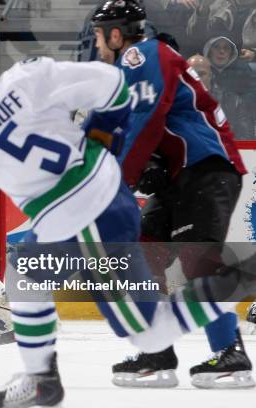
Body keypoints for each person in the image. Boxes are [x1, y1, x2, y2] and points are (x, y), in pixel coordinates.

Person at [0, 45, 246, 408]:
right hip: (100, 196)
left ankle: (243, 279)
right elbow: (114, 83)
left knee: (150, 333)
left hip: (82, 215)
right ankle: (40, 380)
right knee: (24, 276)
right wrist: (101, 132)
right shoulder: (28, 77)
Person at [91, 0, 253, 389]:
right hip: (178, 174)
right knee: (145, 252)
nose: (96, 44)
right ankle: (157, 350)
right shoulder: (130, 68)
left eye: (99, 35)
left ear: (116, 34)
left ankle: (231, 355)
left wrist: (119, 177)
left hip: (206, 167)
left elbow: (147, 120)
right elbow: (126, 129)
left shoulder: (140, 54)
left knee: (199, 260)